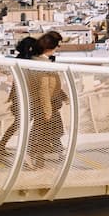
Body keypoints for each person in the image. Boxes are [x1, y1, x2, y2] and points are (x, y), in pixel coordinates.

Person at [0, 36, 38, 158]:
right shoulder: (27, 61)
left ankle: (2, 146)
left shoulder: (20, 59)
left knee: (20, 123)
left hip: (20, 96)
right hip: (24, 96)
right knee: (22, 122)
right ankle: (9, 146)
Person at [26, 31, 65, 169]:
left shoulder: (37, 61)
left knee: (43, 132)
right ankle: (32, 156)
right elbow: (44, 89)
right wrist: (47, 110)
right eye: (57, 45)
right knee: (42, 133)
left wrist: (62, 95)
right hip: (45, 106)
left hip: (45, 104)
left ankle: (38, 159)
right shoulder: (42, 64)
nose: (58, 48)